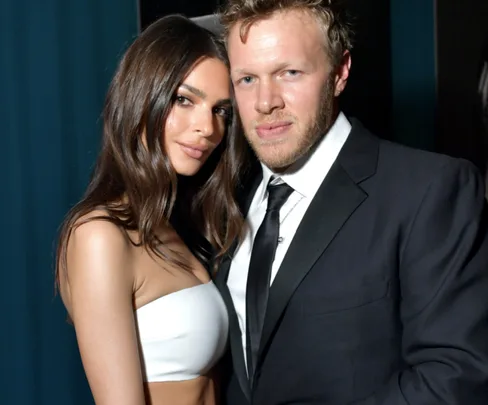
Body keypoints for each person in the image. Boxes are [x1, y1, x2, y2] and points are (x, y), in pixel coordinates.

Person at [213, 1, 488, 404]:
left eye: (289, 73)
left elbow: (455, 377)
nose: (265, 101)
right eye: (247, 79)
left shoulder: (429, 189)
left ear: (340, 72)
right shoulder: (227, 198)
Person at [55, 15, 247, 405]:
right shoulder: (100, 235)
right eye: (184, 100)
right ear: (142, 96)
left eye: (221, 111)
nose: (208, 128)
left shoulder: (174, 225)